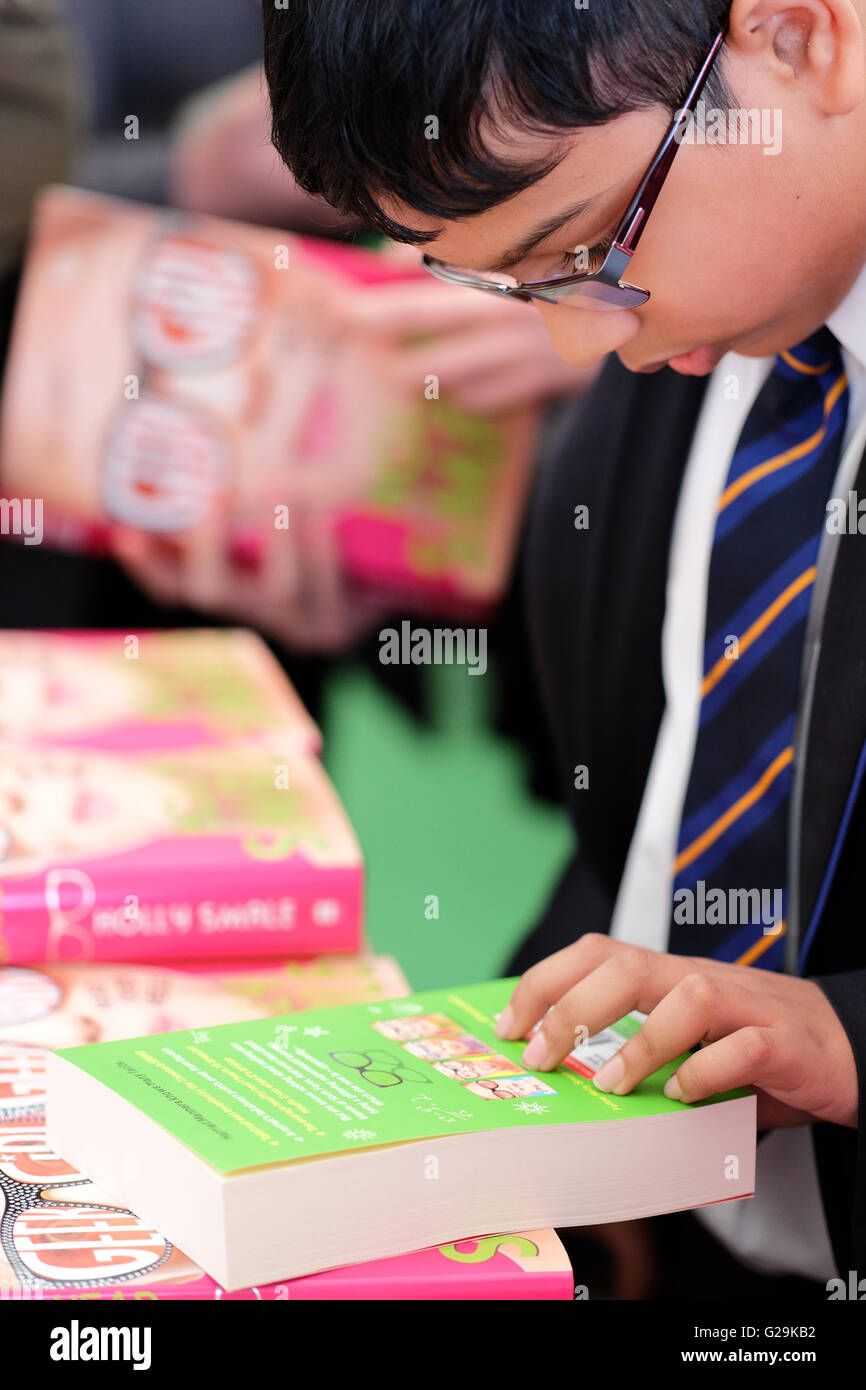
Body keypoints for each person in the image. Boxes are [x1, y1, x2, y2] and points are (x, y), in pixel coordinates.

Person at [261, 0, 866, 1298]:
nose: (573, 340)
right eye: (503, 283)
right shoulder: (696, 360)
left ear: (803, 40)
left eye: (587, 246)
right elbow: (637, 824)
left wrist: (843, 1037)